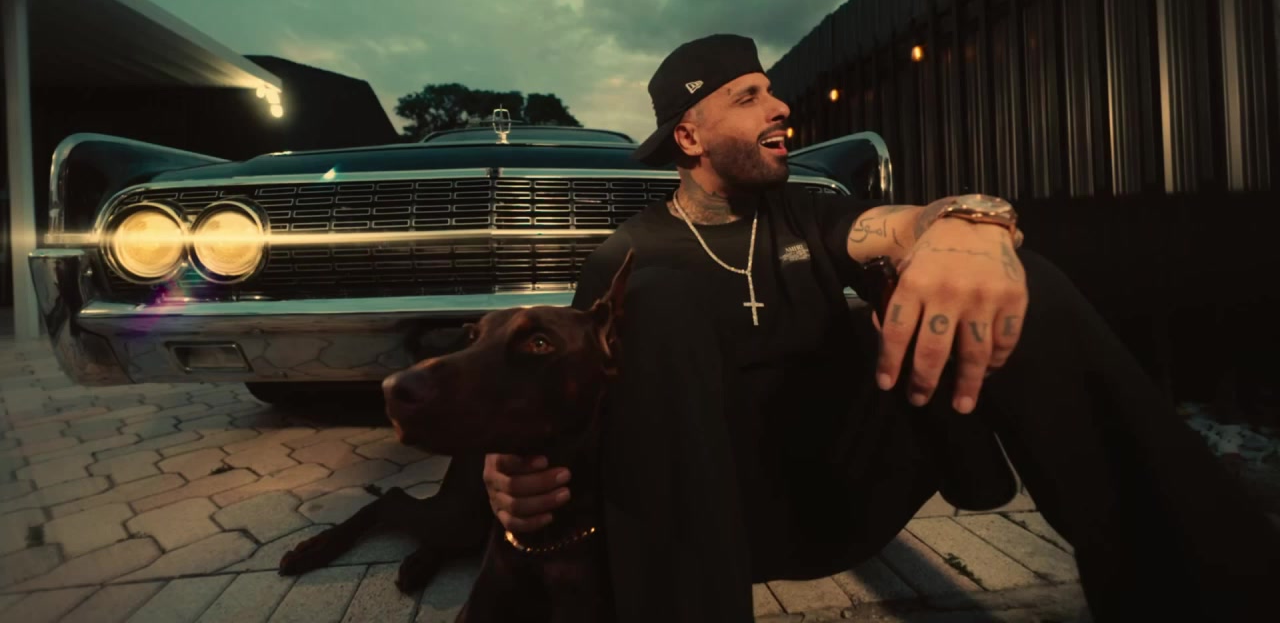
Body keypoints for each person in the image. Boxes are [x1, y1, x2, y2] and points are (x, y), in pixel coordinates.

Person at [475, 34, 1280, 621]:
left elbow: (893, 226)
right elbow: (559, 404)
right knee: (658, 301)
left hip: (838, 486)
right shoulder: (624, 253)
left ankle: (1204, 595)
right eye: (746, 97)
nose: (780, 107)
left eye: (771, 90)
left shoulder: (808, 210)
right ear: (688, 136)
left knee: (1012, 281)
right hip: (706, 519)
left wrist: (965, 225)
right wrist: (508, 479)